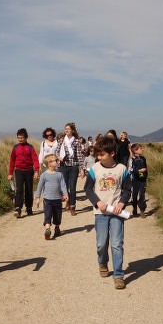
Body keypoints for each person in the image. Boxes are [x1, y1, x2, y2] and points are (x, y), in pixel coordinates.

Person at [84, 137, 132, 290]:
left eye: (102, 155)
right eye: (98, 155)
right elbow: (88, 189)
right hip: (100, 213)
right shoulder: (94, 169)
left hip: (117, 213)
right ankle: (102, 262)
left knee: (117, 244)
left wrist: (121, 203)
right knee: (101, 243)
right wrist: (97, 202)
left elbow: (127, 190)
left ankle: (118, 275)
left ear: (111, 153)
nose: (99, 158)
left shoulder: (122, 169)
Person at [34, 154, 68, 240]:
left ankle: (57, 227)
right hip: (47, 199)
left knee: (57, 216)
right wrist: (38, 197)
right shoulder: (44, 175)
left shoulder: (59, 175)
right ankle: (47, 229)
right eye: (56, 160)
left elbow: (63, 185)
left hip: (57, 199)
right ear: (49, 164)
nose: (58, 161)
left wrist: (66, 194)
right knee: (47, 215)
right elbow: (40, 187)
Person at [8, 128, 39, 217]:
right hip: (19, 171)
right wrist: (10, 173)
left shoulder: (30, 147)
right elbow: (12, 161)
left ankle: (29, 207)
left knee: (29, 190)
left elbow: (35, 160)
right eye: (19, 138)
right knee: (19, 190)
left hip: (29, 171)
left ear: (26, 138)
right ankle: (18, 208)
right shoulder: (15, 148)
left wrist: (36, 171)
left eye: (22, 138)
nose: (20, 139)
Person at [57, 122, 85, 216]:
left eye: (68, 129)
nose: (66, 130)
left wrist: (81, 169)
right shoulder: (61, 140)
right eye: (65, 129)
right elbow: (57, 151)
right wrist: (58, 157)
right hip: (63, 165)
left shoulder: (76, 141)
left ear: (72, 130)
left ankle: (73, 206)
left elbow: (79, 156)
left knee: (72, 187)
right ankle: (67, 200)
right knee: (64, 186)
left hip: (74, 166)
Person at [130, 143, 148, 217]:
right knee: (134, 196)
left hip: (142, 180)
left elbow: (146, 168)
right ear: (135, 151)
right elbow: (130, 170)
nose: (142, 149)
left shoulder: (143, 158)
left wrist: (145, 174)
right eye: (141, 148)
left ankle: (142, 210)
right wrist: (138, 171)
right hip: (135, 180)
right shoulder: (132, 160)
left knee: (142, 195)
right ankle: (134, 208)